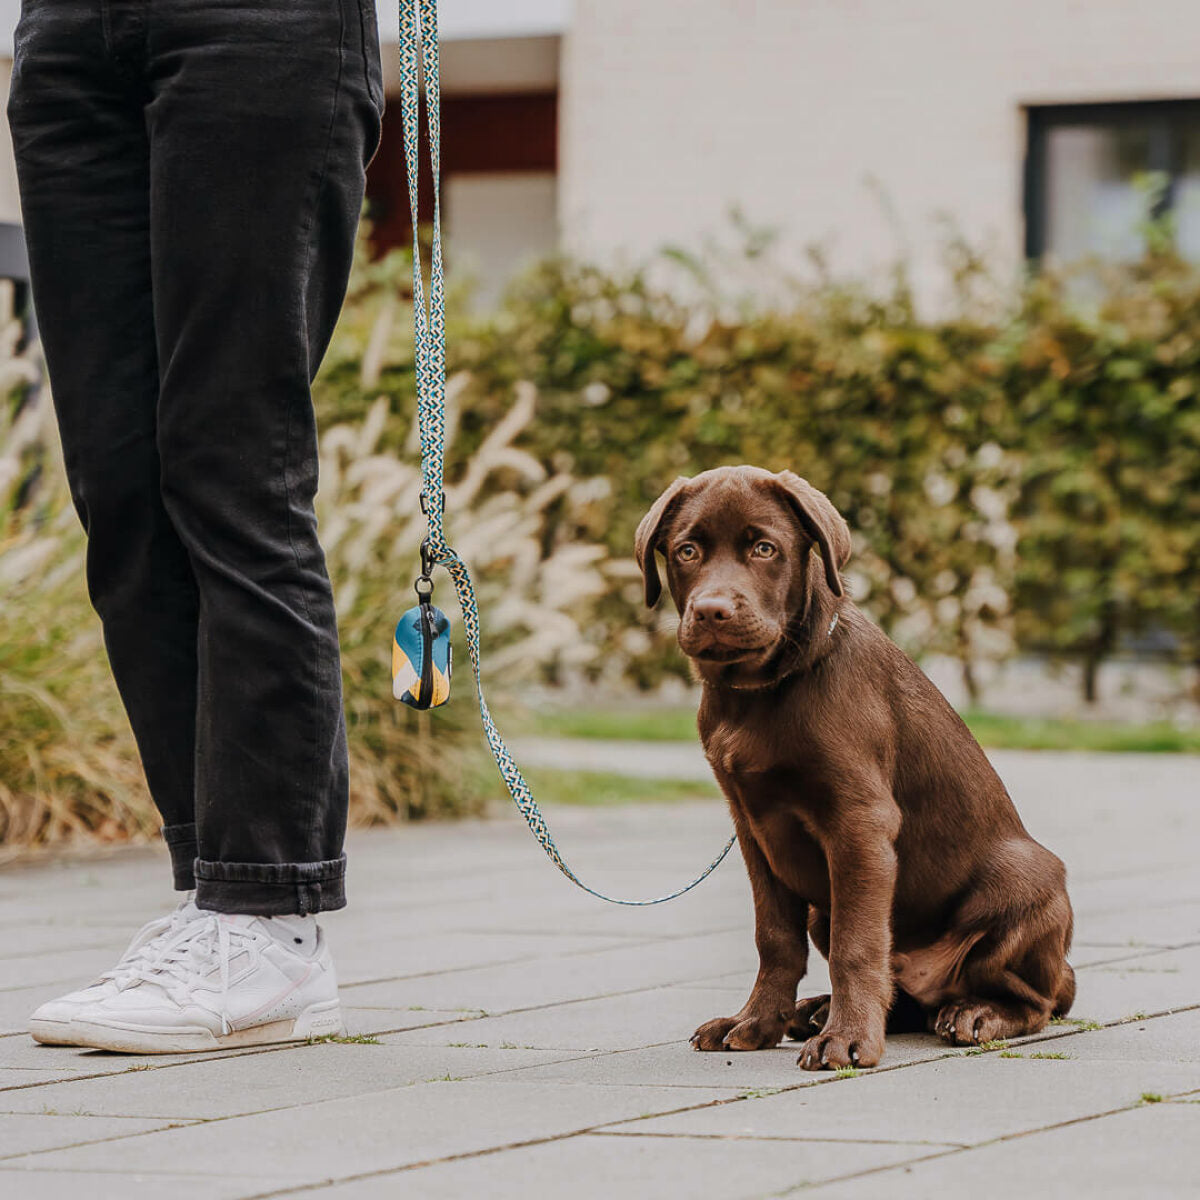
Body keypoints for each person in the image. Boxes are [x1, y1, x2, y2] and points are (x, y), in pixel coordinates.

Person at [7, 0, 385, 1052]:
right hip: (69, 34)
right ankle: (212, 900)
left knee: (233, 466)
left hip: (261, 27)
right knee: (121, 486)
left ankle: (270, 918)